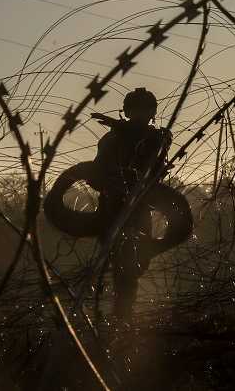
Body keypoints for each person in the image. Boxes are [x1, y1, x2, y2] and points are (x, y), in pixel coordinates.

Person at [89, 87, 173, 320]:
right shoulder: (112, 139)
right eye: (136, 111)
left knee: (134, 263)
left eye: (143, 111)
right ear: (127, 111)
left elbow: (153, 156)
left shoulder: (157, 138)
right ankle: (119, 315)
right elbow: (95, 175)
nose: (140, 116)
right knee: (120, 265)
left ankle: (122, 314)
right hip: (115, 207)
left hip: (137, 207)